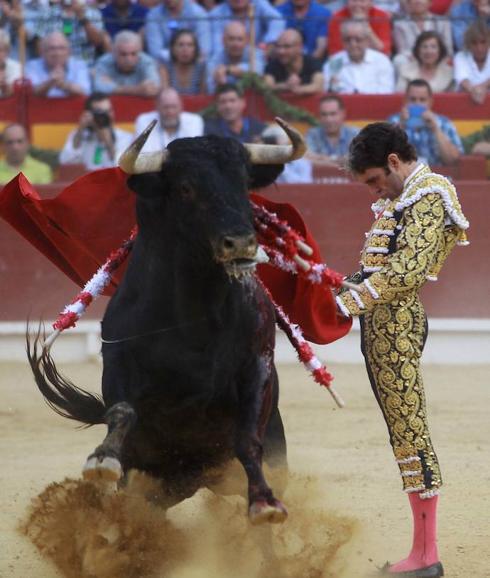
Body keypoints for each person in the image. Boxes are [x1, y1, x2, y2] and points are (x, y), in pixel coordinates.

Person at [336, 121, 469, 578]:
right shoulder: (403, 196)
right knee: (403, 433)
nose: (376, 191)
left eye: (375, 180)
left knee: (411, 433)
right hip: (382, 323)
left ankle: (427, 557)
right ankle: (422, 552)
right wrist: (340, 288)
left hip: (396, 324)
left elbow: (408, 270)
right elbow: (378, 268)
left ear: (394, 161)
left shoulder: (429, 193)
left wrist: (347, 302)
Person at [388, 79, 463, 165]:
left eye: (422, 100)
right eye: (413, 99)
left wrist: (436, 129)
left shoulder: (444, 123)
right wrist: (400, 127)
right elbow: (385, 158)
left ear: (430, 102)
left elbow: (452, 160)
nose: (417, 103)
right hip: (404, 177)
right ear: (405, 101)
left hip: (436, 176)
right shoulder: (394, 121)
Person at [59, 93, 133, 170]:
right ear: (89, 114)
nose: (106, 116)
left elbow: (122, 167)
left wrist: (108, 140)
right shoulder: (79, 135)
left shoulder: (125, 137)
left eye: (109, 111)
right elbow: (65, 161)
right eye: (100, 113)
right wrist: (80, 130)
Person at [23, 0, 109, 65]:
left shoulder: (92, 13)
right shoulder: (47, 15)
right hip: (54, 67)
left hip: (85, 66)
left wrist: (82, 18)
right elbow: (39, 46)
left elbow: (98, 42)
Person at [323, 20, 395, 94]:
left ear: (367, 40)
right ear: (342, 41)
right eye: (348, 40)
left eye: (358, 39)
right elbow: (330, 93)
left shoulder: (381, 61)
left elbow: (386, 92)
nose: (353, 44)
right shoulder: (334, 62)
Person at [133, 87, 204, 153]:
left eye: (174, 107)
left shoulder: (194, 121)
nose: (170, 111)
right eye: (166, 107)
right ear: (157, 106)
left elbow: (194, 153)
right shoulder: (144, 121)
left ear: (181, 106)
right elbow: (142, 154)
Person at [93, 30, 160, 97]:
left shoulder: (147, 62)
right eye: (123, 54)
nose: (128, 59)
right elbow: (99, 87)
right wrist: (137, 90)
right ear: (113, 53)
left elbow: (154, 87)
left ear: (140, 52)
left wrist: (114, 87)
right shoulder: (104, 62)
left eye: (133, 54)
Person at [24, 31, 91, 98]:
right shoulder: (32, 66)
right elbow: (31, 93)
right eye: (52, 48)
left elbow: (85, 92)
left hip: (74, 108)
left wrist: (63, 85)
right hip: (41, 107)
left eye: (61, 48)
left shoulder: (79, 65)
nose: (57, 53)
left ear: (69, 51)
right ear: (42, 52)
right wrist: (50, 83)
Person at [209, 0, 285, 58]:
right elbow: (217, 49)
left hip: (259, 57)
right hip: (228, 60)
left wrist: (268, 42)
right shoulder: (216, 14)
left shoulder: (259, 3)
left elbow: (277, 20)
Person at [207, 21, 265, 94]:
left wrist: (228, 70)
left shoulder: (255, 53)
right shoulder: (215, 59)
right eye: (231, 39)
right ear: (223, 40)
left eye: (240, 39)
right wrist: (220, 83)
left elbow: (256, 73)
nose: (235, 44)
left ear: (246, 41)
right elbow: (210, 89)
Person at [145, 0, 211, 63]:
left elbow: (204, 50)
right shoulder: (153, 15)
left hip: (194, 66)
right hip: (164, 67)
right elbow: (155, 53)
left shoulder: (198, 14)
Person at [264, 28, 324, 95]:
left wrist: (298, 89)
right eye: (278, 46)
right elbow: (266, 87)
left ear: (300, 47)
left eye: (287, 47)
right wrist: (285, 86)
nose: (281, 51)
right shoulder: (273, 64)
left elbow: (319, 87)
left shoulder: (312, 62)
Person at [305, 95, 359, 166]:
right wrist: (338, 162)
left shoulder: (355, 134)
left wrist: (322, 159)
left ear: (343, 114)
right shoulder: (313, 134)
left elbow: (361, 160)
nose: (328, 119)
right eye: (324, 114)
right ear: (319, 116)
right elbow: (306, 159)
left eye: (333, 114)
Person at [327, 0, 392, 56]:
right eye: (354, 1)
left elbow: (385, 52)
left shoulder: (381, 16)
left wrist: (366, 28)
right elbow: (335, 52)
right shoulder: (337, 17)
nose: (357, 5)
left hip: (375, 61)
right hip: (346, 60)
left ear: (371, 3)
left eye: (362, 1)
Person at [159, 29, 207, 95]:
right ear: (173, 49)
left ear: (195, 49)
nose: (185, 49)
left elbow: (203, 97)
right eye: (180, 45)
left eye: (190, 45)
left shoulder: (201, 67)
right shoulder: (166, 67)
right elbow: (164, 95)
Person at [454, 20, 490, 105]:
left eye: (483, 42)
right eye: (474, 43)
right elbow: (463, 80)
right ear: (468, 43)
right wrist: (475, 91)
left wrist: (481, 89)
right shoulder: (461, 56)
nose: (479, 48)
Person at [0, 29, 21, 98]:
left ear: (8, 51)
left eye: (0, 50)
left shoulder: (16, 67)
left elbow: (13, 96)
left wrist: (4, 85)